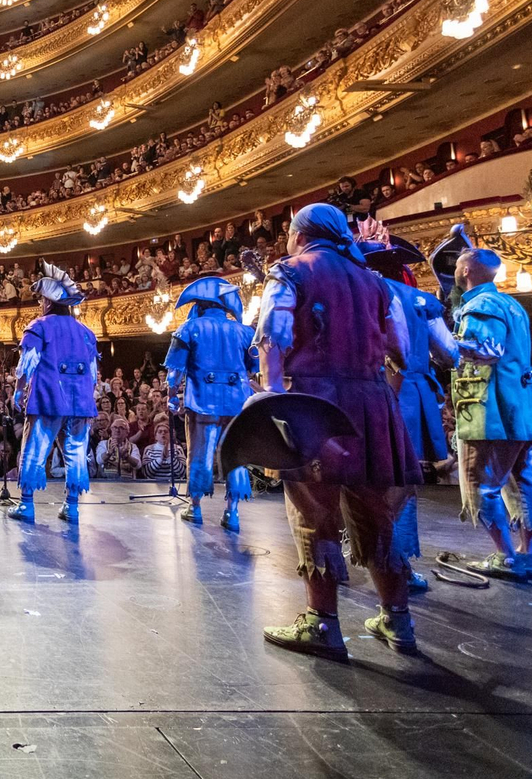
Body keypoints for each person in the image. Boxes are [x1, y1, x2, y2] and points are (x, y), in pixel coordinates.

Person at [254, 203, 420, 660]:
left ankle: (322, 624)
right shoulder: (376, 281)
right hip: (372, 406)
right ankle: (398, 620)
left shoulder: (289, 272)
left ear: (299, 235)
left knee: (314, 512)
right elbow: (402, 352)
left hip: (314, 404)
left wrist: (272, 395)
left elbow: (273, 337)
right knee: (377, 514)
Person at [450, 247, 532, 582]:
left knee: (481, 485)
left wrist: (445, 342)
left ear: (466, 270)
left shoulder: (481, 305)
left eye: (457, 265)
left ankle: (505, 556)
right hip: (522, 407)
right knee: (527, 483)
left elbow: (487, 350)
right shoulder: (511, 303)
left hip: (492, 409)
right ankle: (527, 556)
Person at [357, 222, 457, 592]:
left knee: (366, 483)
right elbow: (449, 354)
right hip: (412, 396)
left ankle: (377, 557)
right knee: (403, 483)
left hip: (366, 393)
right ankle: (395, 564)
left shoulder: (356, 295)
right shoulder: (420, 301)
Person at [164, 277, 254, 532]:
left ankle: (195, 507)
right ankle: (232, 512)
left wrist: (172, 395)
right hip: (237, 404)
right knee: (236, 455)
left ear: (201, 304)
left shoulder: (189, 328)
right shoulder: (245, 331)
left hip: (202, 401)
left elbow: (175, 369)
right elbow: (253, 369)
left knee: (200, 454)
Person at [11, 262, 99, 523]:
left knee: (34, 449)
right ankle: (71, 507)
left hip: (47, 399)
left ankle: (26, 505)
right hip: (80, 402)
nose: (40, 304)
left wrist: (18, 391)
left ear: (48, 302)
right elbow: (93, 373)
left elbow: (27, 362)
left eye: (41, 300)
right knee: (76, 453)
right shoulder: (86, 332)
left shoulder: (40, 326)